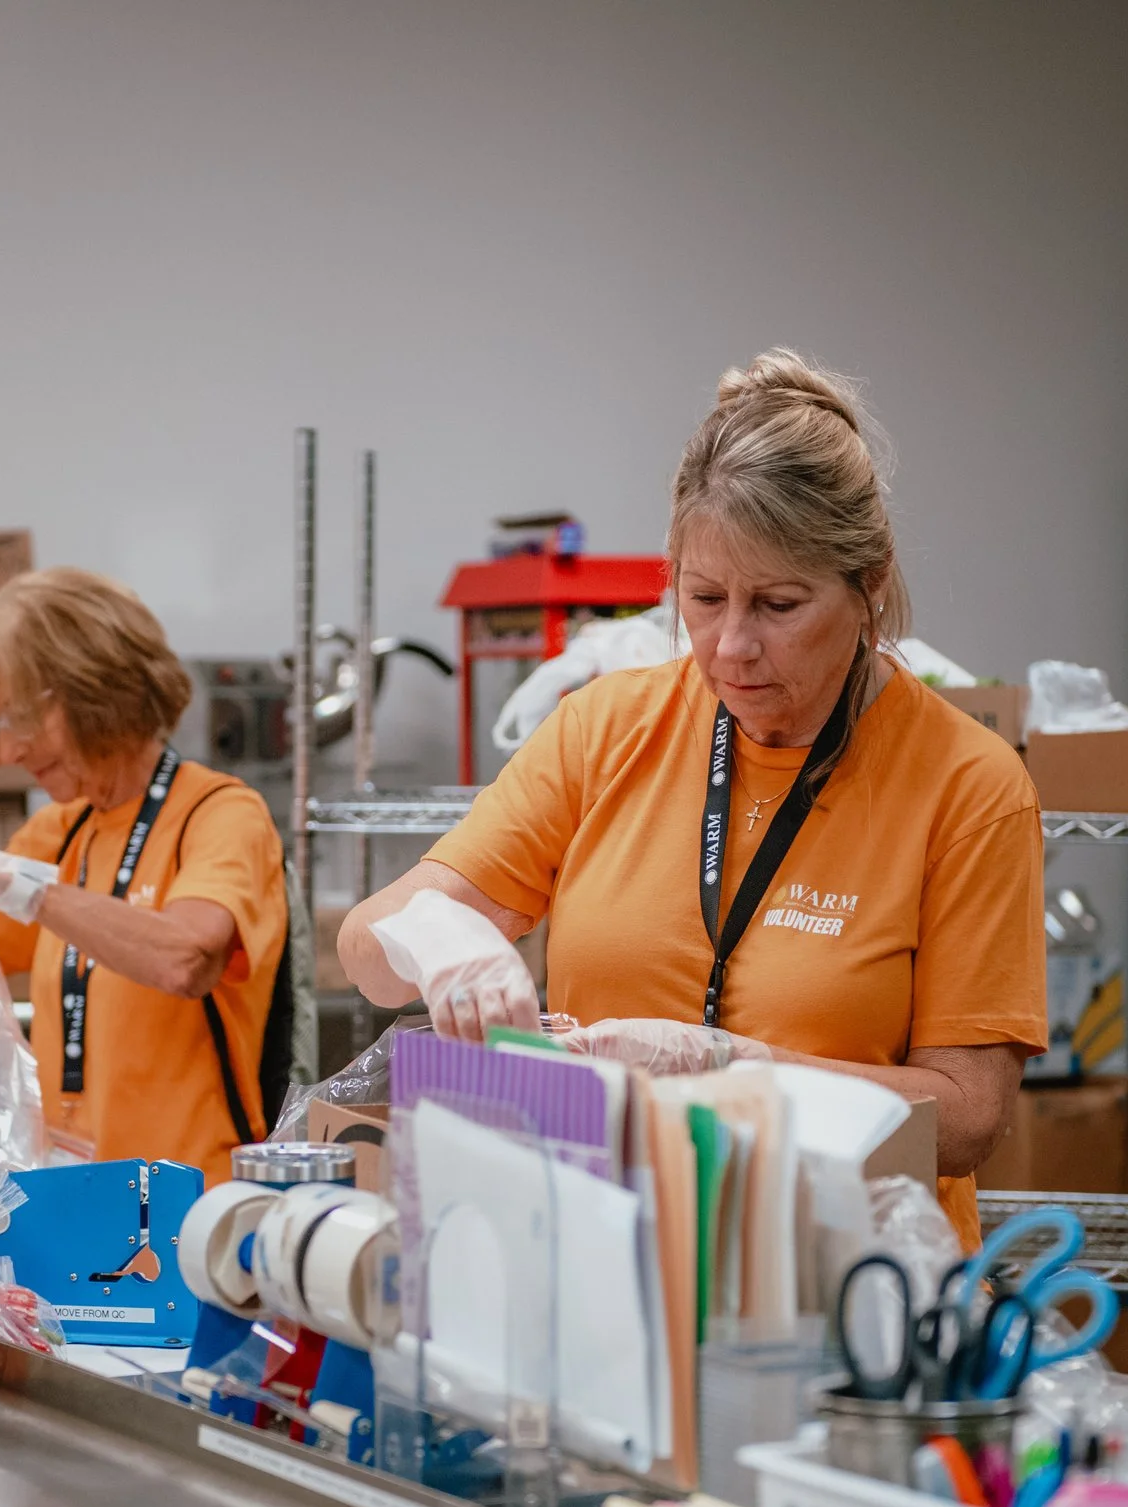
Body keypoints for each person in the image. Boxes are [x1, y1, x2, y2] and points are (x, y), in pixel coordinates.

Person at [340, 349, 1046, 1248]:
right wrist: (439, 939)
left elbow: (967, 1119)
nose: (731, 647)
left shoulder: (967, 787)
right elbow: (366, 951)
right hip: (604, 1261)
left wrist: (736, 1071)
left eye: (779, 605)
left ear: (869, 583)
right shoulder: (606, 730)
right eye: (703, 597)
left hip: (847, 1287)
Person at [0, 568, 289, 1179]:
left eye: (21, 718)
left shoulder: (218, 815)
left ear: (98, 691)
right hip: (72, 1198)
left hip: (187, 1212)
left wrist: (22, 888)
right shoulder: (62, 831)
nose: (9, 751)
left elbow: (184, 958)